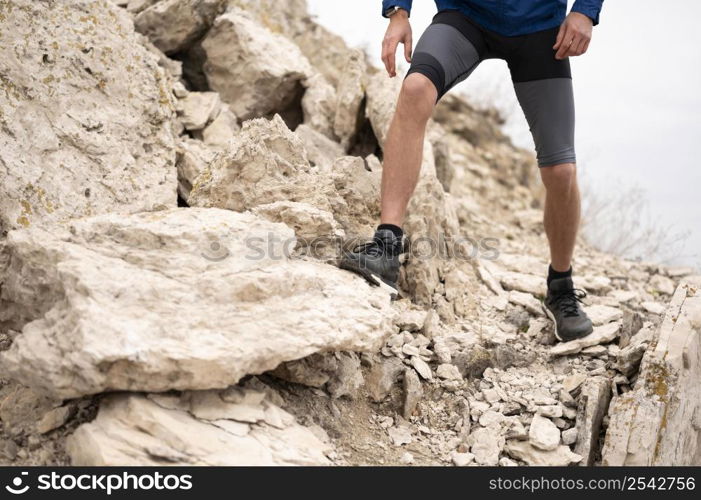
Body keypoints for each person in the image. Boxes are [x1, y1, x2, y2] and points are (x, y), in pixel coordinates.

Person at [340, 0, 605, 342]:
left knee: (561, 170)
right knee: (415, 88)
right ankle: (386, 245)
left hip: (539, 28)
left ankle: (561, 287)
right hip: (466, 18)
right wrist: (398, 13)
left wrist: (585, 10)